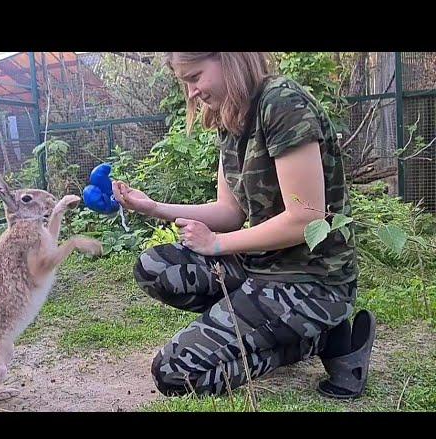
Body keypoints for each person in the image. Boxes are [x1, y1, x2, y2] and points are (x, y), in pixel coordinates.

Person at [112, 52, 376, 399]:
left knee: (175, 373)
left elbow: (307, 218)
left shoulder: (282, 103)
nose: (191, 92)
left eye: (195, 77)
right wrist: (154, 207)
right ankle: (271, 324)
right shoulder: (231, 114)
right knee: (155, 268)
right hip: (260, 266)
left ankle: (325, 337)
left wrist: (217, 244)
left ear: (229, 59)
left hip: (314, 281)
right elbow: (229, 212)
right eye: (185, 82)